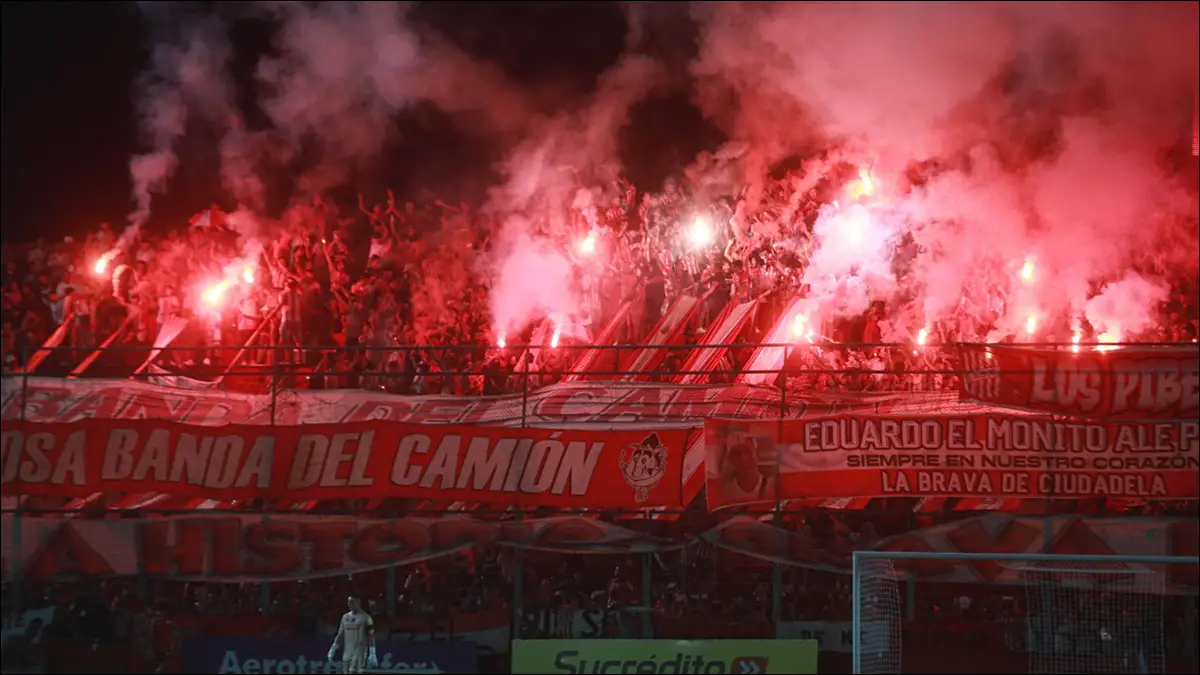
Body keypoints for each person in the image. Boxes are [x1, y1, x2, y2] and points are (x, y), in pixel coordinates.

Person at [328, 596, 377, 674]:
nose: (349, 604)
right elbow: (340, 634)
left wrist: (372, 653)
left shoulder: (367, 618)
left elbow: (371, 635)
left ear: (358, 603)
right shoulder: (345, 617)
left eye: (352, 602)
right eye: (348, 602)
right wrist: (333, 649)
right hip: (347, 652)